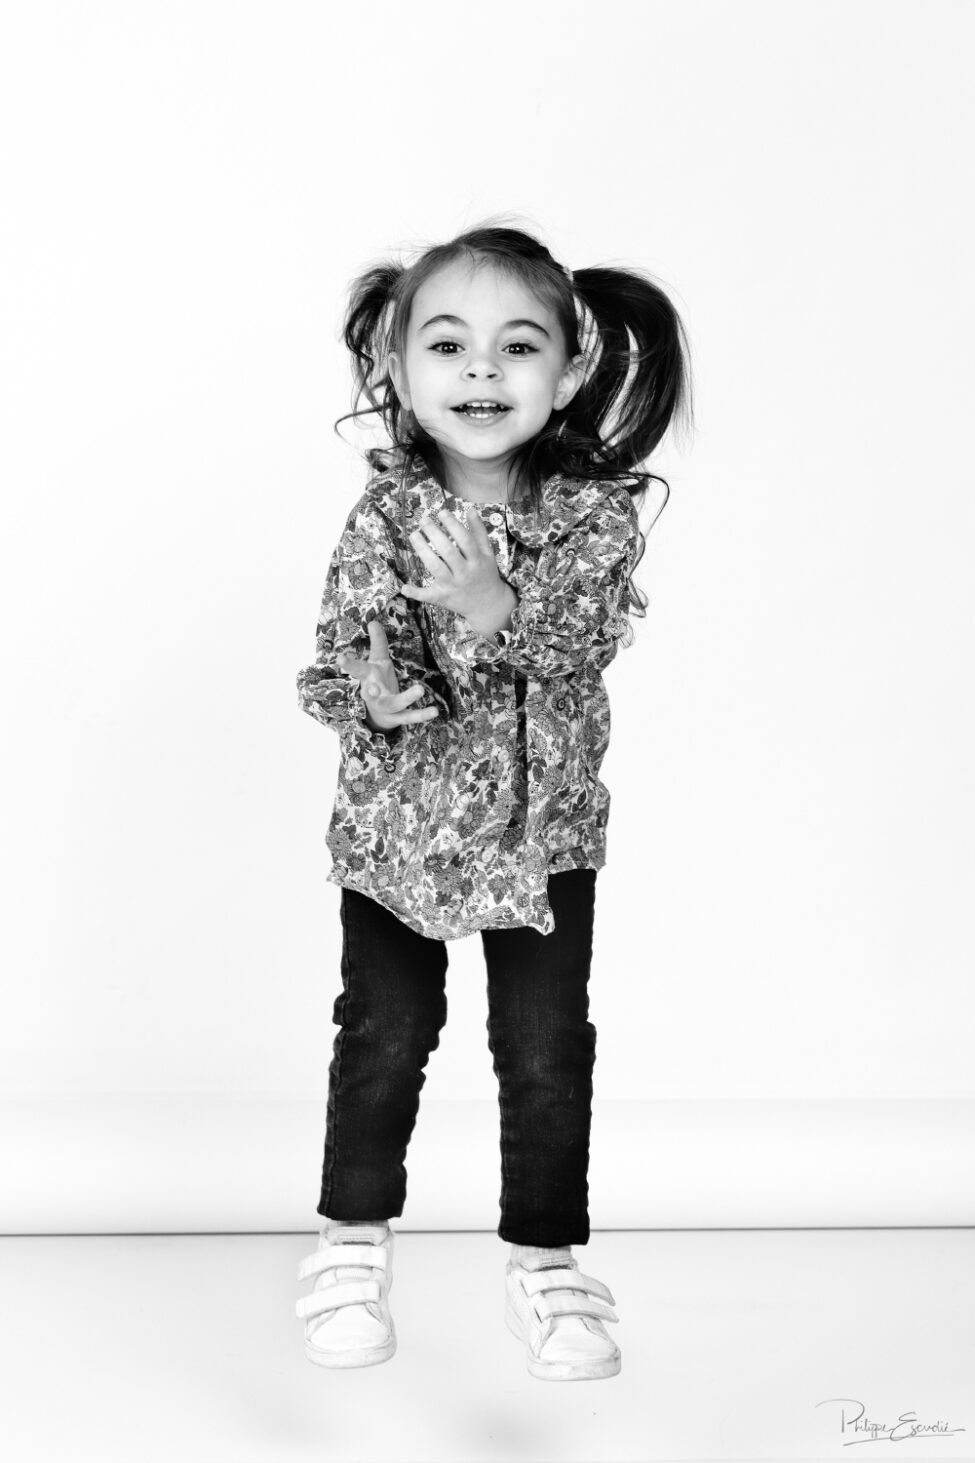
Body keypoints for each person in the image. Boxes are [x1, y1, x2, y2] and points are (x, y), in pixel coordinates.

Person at [294, 221, 693, 1381]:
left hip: (544, 831)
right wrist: (371, 692)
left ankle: (548, 1261)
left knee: (545, 1045)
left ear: (565, 371)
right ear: (402, 370)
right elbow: (329, 665)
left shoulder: (593, 514)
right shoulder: (381, 518)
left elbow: (585, 644)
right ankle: (350, 1240)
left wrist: (488, 598)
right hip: (399, 835)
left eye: (516, 347)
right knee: (382, 1036)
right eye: (450, 346)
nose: (482, 372)